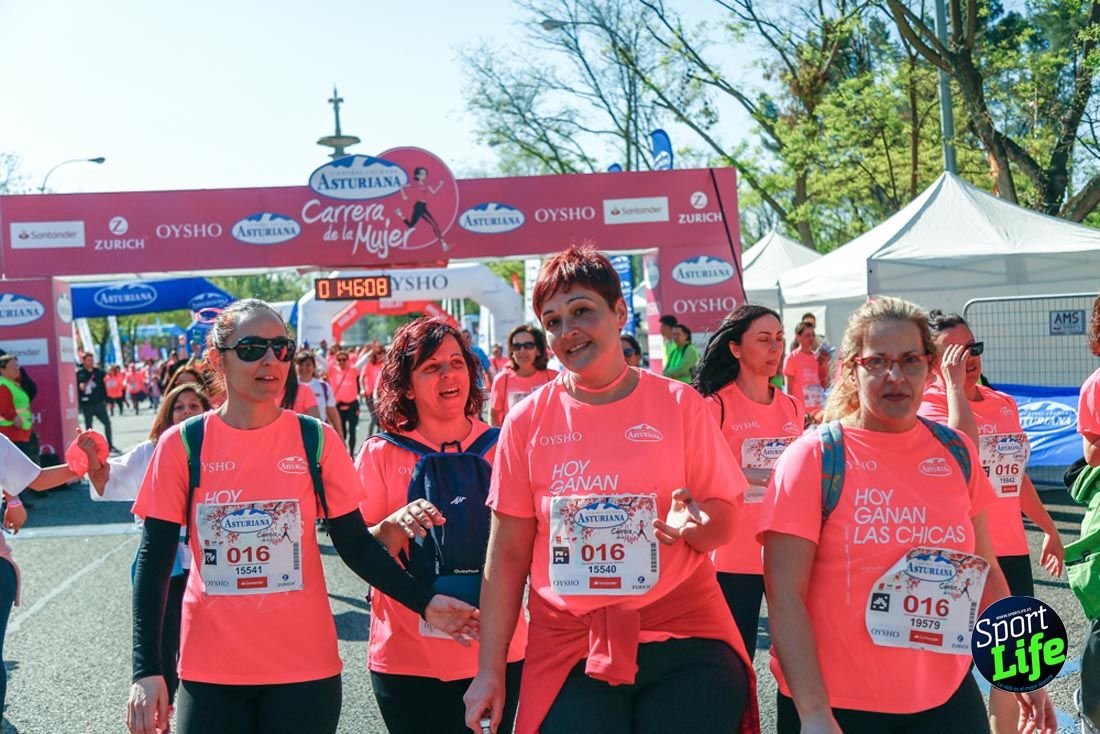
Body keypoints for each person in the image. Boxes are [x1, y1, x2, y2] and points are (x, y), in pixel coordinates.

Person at [127, 298, 479, 734]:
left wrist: (424, 602)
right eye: (252, 349)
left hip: (304, 671)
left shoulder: (315, 439)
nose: (270, 361)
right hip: (210, 669)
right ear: (217, 358)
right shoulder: (183, 444)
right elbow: (155, 561)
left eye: (281, 348)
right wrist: (147, 669)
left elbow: (355, 545)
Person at [464, 247, 757, 734]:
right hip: (570, 646)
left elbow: (724, 519)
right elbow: (508, 555)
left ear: (619, 312)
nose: (567, 331)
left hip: (684, 638)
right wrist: (489, 670)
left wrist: (695, 524)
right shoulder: (525, 421)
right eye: (553, 321)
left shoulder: (679, 404)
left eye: (582, 310)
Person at [759, 296, 1055, 734]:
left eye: (910, 360)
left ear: (930, 368)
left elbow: (986, 568)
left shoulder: (956, 452)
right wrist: (815, 712)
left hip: (945, 699)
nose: (894, 376)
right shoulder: (813, 458)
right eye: (877, 362)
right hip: (838, 708)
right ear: (852, 368)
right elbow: (784, 595)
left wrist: (1021, 665)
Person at [355, 317, 527, 733]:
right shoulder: (379, 453)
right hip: (407, 657)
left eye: (456, 363)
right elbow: (357, 550)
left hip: (499, 650)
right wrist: (394, 525)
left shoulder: (506, 445)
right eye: (431, 367)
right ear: (407, 387)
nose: (448, 374)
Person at [86, 384, 212, 706]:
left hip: (211, 560)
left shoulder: (221, 448)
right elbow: (107, 481)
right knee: (164, 640)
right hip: (165, 561)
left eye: (194, 406)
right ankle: (164, 709)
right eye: (179, 407)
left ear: (207, 411)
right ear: (167, 414)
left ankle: (203, 708)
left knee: (205, 640)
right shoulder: (150, 451)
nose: (186, 412)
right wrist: (92, 459)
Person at [693, 305, 804, 660]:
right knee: (735, 659)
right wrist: (750, 475)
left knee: (795, 655)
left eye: (779, 339)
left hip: (784, 553)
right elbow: (695, 475)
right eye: (763, 339)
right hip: (732, 556)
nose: (775, 348)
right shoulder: (714, 406)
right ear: (736, 348)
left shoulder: (792, 407)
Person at [489, 325, 557, 427]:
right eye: (516, 347)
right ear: (512, 352)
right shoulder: (502, 380)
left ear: (538, 350)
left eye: (528, 345)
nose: (522, 351)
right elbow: (494, 418)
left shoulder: (554, 378)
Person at [396, 166, 449, 251]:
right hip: (419, 207)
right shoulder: (414, 184)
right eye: (422, 174)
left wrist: (440, 185)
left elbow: (434, 192)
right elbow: (402, 186)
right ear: (417, 175)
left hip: (423, 206)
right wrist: (404, 196)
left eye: (425, 174)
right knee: (433, 224)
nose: (424, 175)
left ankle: (399, 214)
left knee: (411, 225)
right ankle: (443, 244)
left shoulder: (427, 184)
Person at [784, 321, 825, 421]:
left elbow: (824, 383)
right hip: (802, 414)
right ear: (798, 337)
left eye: (813, 335)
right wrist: (792, 411)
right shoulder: (792, 358)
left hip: (819, 412)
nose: (811, 338)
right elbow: (789, 389)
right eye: (807, 335)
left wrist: (824, 362)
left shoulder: (818, 358)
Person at [295, 352, 343, 436]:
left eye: (308, 365)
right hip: (295, 432)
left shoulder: (323, 386)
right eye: (301, 364)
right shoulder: (288, 386)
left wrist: (340, 435)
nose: (304, 368)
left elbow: (333, 413)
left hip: (319, 433)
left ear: (314, 367)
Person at [77, 353, 116, 453]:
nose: (91, 362)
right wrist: (81, 387)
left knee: (107, 423)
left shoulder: (98, 372)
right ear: (84, 361)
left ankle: (110, 445)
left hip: (99, 404)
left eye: (92, 360)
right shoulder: (80, 373)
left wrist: (107, 400)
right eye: (88, 360)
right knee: (89, 428)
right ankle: (91, 449)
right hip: (87, 405)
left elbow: (104, 385)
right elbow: (78, 387)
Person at [0, 356, 34, 460]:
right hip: (11, 433)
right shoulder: (3, 385)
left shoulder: (13, 384)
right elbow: (4, 407)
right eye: (12, 366)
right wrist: (15, 418)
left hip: (19, 432)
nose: (16, 369)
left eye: (17, 365)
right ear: (2, 370)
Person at [327, 350, 361, 453]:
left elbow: (363, 361)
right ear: (336, 361)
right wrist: (313, 354)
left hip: (352, 405)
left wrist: (371, 351)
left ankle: (352, 453)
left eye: (344, 359)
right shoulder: (332, 370)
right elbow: (323, 363)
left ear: (348, 360)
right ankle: (343, 453)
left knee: (352, 431)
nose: (342, 362)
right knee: (341, 432)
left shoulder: (353, 370)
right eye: (339, 360)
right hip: (338, 405)